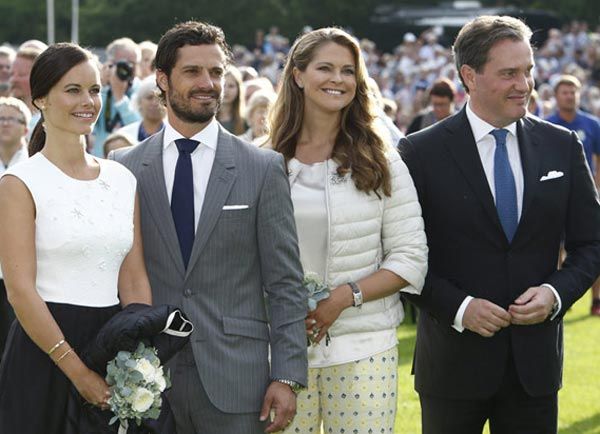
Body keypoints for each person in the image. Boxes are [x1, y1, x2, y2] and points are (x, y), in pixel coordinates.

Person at [399, 15, 600, 434]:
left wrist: (555, 293)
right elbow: (401, 255)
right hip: (452, 367)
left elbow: (592, 243)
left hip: (535, 369)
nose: (524, 84)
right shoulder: (419, 152)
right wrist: (459, 308)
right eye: (509, 73)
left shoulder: (562, 146)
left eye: (528, 70)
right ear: (469, 76)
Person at [110, 21, 307, 434]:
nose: (208, 83)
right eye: (193, 72)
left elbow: (285, 282)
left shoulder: (261, 167)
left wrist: (287, 374)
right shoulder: (125, 169)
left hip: (236, 376)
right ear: (162, 80)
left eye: (216, 72)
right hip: (147, 376)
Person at [269, 27, 427, 434]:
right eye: (325, 68)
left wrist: (344, 297)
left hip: (364, 347)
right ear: (298, 75)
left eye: (347, 71)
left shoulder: (383, 161)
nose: (337, 79)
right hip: (280, 352)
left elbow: (410, 257)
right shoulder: (262, 160)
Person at [0, 43, 152, 433]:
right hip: (43, 350)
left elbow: (133, 280)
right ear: (40, 99)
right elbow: (20, 290)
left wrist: (139, 360)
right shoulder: (18, 183)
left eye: (95, 90)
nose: (88, 101)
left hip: (111, 347)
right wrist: (77, 371)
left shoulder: (122, 178)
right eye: (73, 90)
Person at [546, 74, 600, 317]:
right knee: (552, 248)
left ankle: (596, 300)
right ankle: (557, 294)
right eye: (565, 92)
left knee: (592, 245)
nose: (569, 96)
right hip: (555, 196)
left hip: (585, 198)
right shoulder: (546, 125)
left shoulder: (592, 124)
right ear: (556, 97)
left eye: (573, 91)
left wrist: (596, 190)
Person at [0, 96, 30, 361]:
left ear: (26, 128)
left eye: (11, 119)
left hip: (23, 275)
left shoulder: (34, 167)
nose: (4, 124)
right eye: (0, 119)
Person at [91, 37, 141, 157]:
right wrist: (99, 86)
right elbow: (89, 120)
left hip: (133, 157)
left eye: (132, 64)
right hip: (102, 158)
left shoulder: (144, 90)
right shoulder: (103, 91)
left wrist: (120, 97)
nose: (127, 68)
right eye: (122, 63)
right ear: (110, 64)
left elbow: (140, 127)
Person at [116, 76, 165, 144]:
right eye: (149, 97)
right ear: (139, 102)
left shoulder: (176, 135)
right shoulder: (124, 135)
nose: (155, 103)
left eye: (159, 98)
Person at [216, 65, 245, 135]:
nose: (226, 90)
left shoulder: (246, 121)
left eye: (231, 86)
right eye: (223, 85)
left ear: (238, 89)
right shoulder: (206, 118)